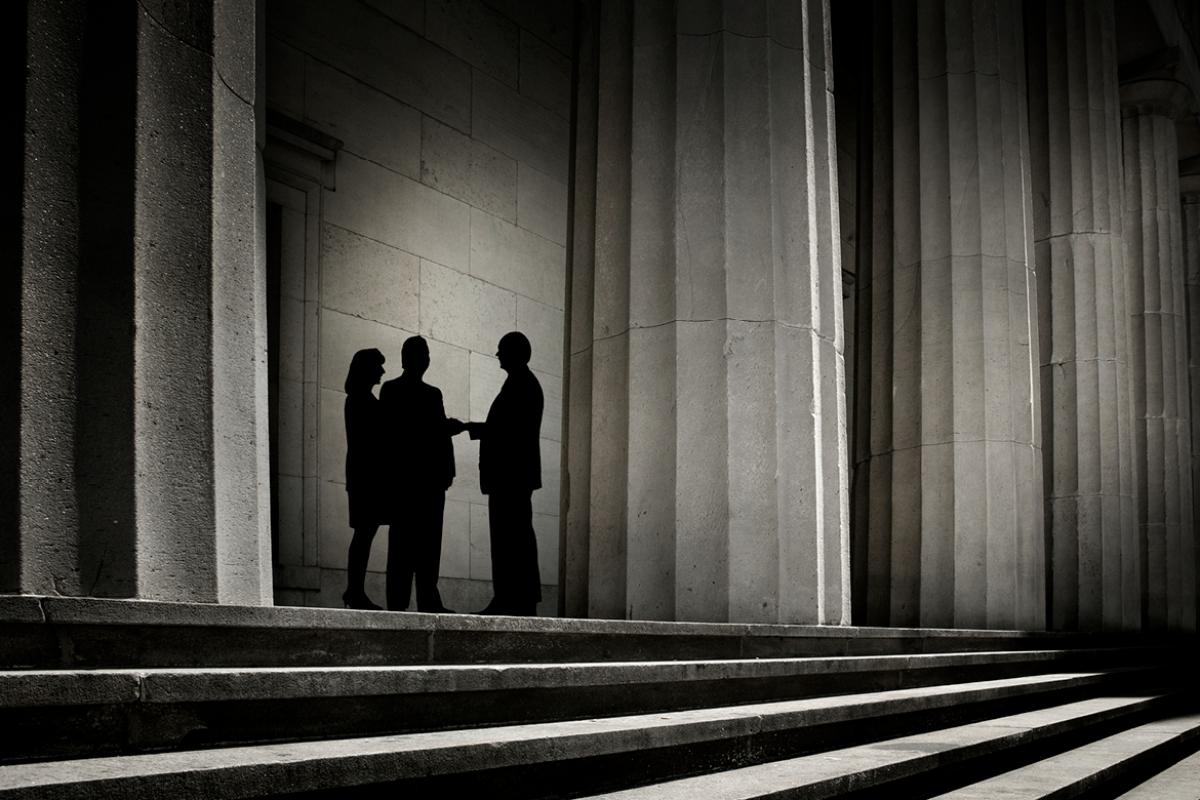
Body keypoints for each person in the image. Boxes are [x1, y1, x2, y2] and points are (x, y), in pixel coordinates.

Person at [380, 336, 465, 613]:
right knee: (425, 547)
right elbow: (436, 435)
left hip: (408, 484)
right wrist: (446, 473)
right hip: (423, 485)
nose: (426, 359)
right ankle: (424, 600)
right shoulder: (429, 394)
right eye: (424, 354)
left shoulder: (392, 391)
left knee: (404, 547)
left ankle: (401, 603)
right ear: (418, 360)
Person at [468, 331, 543, 616]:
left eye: (501, 350)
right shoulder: (520, 383)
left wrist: (469, 428)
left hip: (511, 477)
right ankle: (515, 598)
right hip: (512, 477)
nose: (497, 355)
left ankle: (512, 599)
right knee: (514, 537)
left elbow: (507, 432)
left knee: (511, 539)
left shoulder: (522, 384)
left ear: (514, 352)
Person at [342, 348, 387, 610]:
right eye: (378, 366)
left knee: (364, 534)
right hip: (365, 479)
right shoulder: (360, 399)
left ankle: (355, 590)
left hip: (363, 477)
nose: (382, 371)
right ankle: (354, 591)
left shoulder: (360, 398)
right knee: (364, 534)